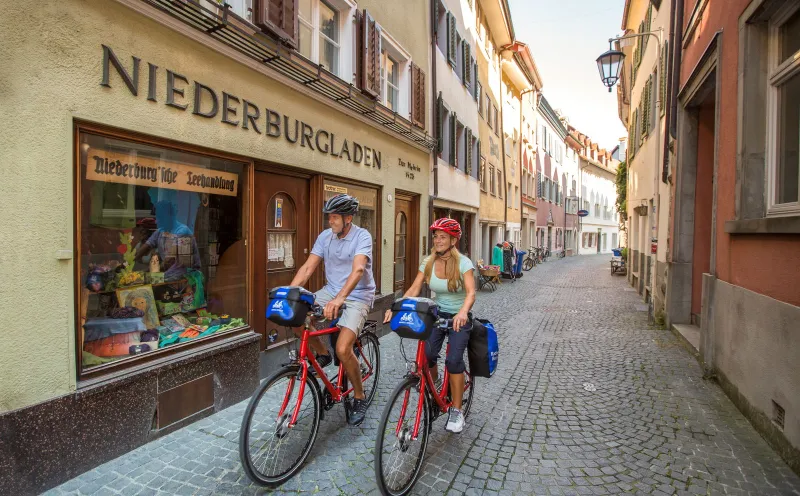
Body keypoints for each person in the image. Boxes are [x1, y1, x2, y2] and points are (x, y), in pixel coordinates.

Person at [289, 194, 376, 426]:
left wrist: (340, 299)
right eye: (329, 217)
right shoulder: (325, 237)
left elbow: (358, 270)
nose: (331, 221)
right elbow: (308, 267)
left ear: (348, 218)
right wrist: (290, 293)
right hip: (331, 291)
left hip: (358, 296)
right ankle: (322, 354)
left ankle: (359, 396)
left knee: (343, 348)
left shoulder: (362, 236)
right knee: (295, 318)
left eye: (335, 217)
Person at [383, 218, 476, 433]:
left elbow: (471, 293)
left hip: (459, 317)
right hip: (437, 314)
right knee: (427, 355)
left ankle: (457, 410)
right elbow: (414, 289)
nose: (438, 240)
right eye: (436, 236)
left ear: (453, 240)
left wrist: (463, 312)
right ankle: (435, 386)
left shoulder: (464, 263)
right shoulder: (428, 262)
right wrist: (396, 307)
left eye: (443, 237)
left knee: (453, 361)